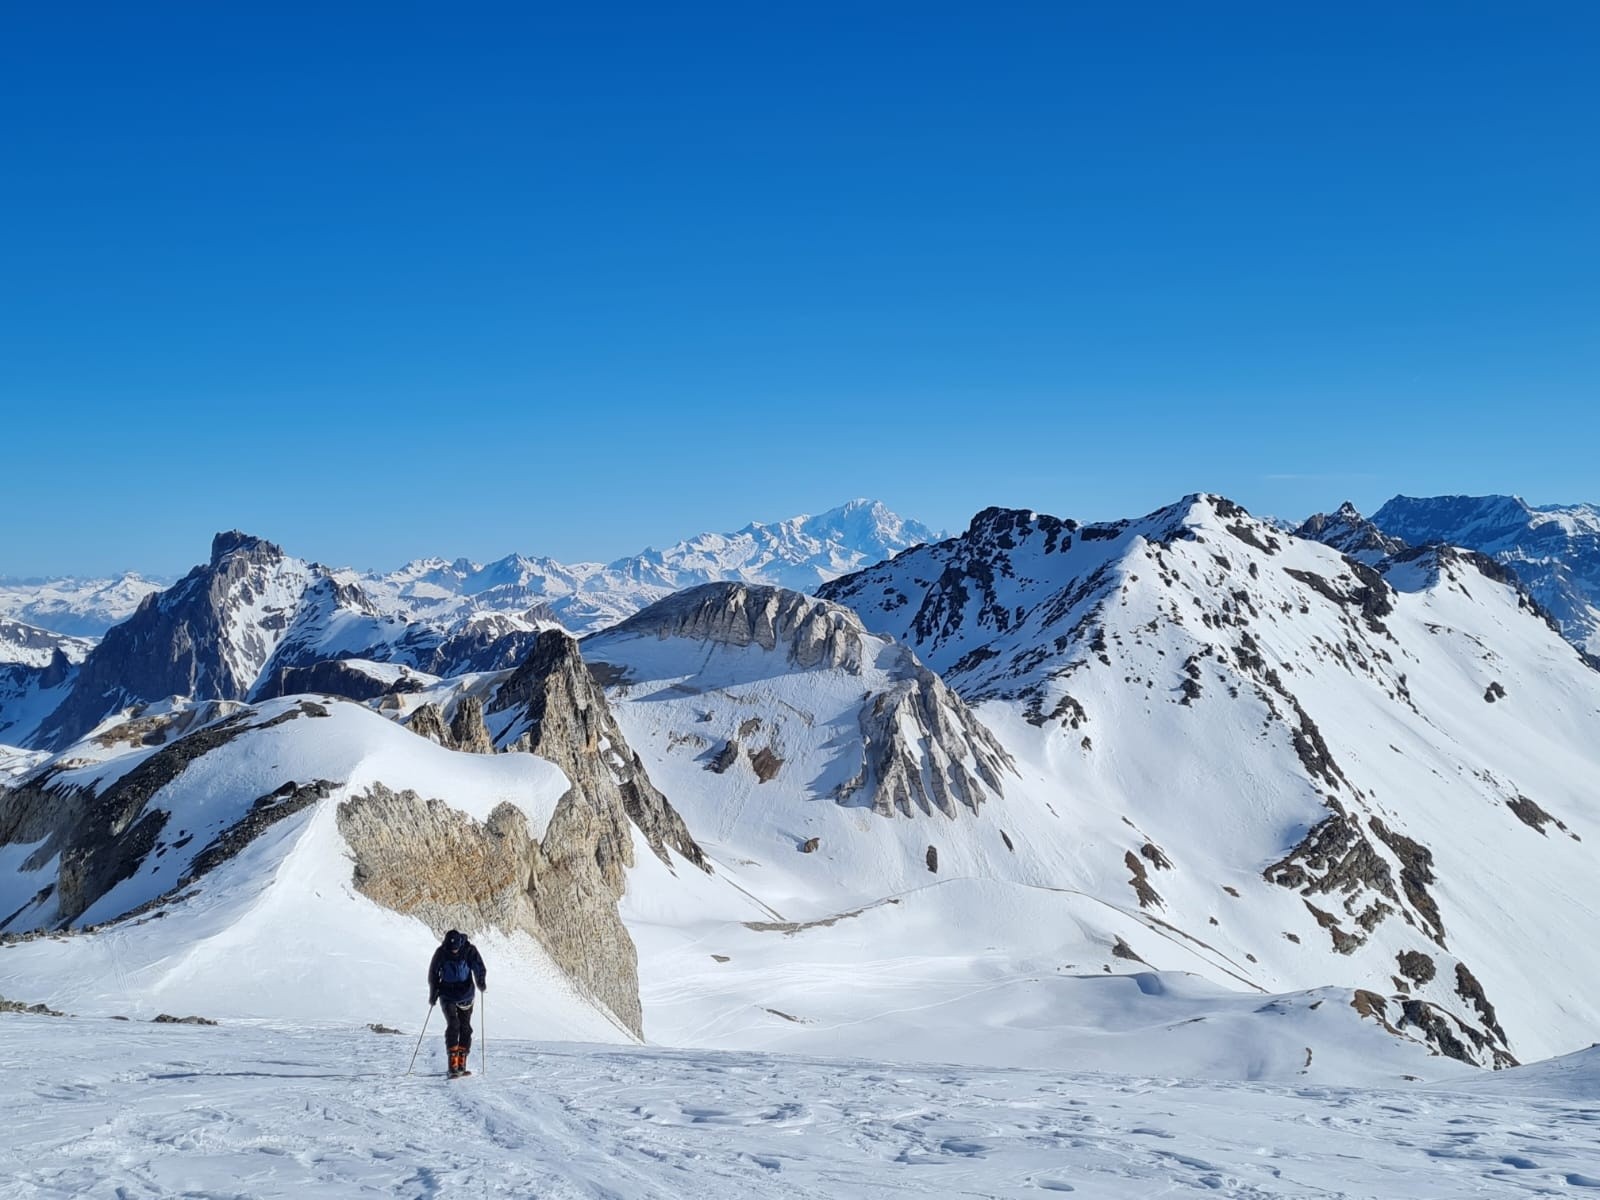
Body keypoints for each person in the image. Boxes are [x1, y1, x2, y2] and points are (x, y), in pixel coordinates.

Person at [428, 928, 487, 1077]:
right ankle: (452, 1063)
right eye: (451, 949)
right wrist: (434, 992)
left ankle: (462, 1061)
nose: (454, 951)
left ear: (460, 944)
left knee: (465, 1027)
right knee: (454, 1025)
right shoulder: (441, 952)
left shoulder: (469, 950)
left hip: (466, 994)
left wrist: (480, 981)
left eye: (456, 949)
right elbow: (434, 973)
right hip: (447, 994)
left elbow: (479, 966)